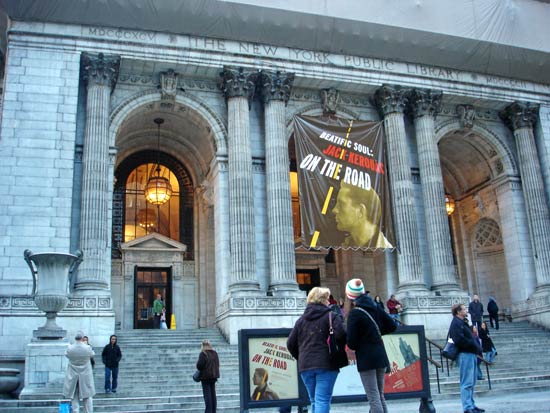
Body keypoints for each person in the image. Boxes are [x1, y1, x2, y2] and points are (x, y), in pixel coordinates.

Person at [287, 286, 346, 413]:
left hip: (305, 365)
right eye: (327, 298)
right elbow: (341, 335)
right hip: (326, 364)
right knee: (322, 400)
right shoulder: (331, 316)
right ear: (323, 300)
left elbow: (290, 344)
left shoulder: (301, 320)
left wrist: (302, 355)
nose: (329, 301)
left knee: (314, 400)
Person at [346, 279, 396, 413]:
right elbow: (392, 325)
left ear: (350, 296)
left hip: (366, 357)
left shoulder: (355, 313)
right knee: (380, 395)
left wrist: (364, 340)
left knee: (373, 398)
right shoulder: (376, 307)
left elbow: (351, 342)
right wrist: (375, 334)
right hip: (380, 355)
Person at [331, 182, 393, 249]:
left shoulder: (386, 250)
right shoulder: (345, 247)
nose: (334, 210)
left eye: (341, 204)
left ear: (360, 211)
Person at [448, 303, 484, 413]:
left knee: (471, 382)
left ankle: (471, 405)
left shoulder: (463, 322)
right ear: (458, 312)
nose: (466, 310)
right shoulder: (456, 322)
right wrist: (473, 345)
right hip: (465, 354)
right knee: (466, 382)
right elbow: (458, 339)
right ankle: (467, 407)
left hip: (470, 353)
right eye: (464, 309)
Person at [63, 331, 95, 413]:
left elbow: (66, 354)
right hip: (85, 374)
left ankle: (75, 411)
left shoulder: (70, 348)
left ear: (75, 338)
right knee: (87, 396)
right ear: (82, 338)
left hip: (73, 374)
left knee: (74, 395)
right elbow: (92, 354)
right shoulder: (87, 348)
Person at [196, 339, 220, 413]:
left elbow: (199, 365)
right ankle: (213, 410)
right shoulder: (215, 353)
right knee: (213, 395)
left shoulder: (203, 354)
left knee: (207, 397)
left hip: (205, 378)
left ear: (203, 346)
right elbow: (217, 364)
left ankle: (208, 411)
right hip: (213, 377)